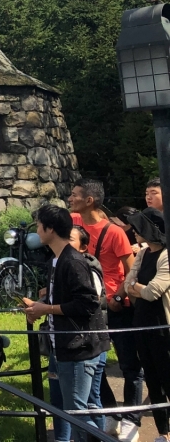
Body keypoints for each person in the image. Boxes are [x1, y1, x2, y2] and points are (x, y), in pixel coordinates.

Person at [24, 204, 104, 442]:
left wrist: (46, 308)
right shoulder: (56, 261)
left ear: (50, 228)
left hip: (77, 348)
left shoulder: (73, 261)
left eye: (39, 225)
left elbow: (88, 304)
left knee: (77, 411)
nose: (36, 230)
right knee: (72, 410)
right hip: (61, 345)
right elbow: (60, 303)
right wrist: (38, 309)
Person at [68, 178, 138, 438]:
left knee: (129, 364)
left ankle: (132, 416)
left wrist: (118, 298)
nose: (70, 198)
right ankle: (110, 411)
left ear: (89, 200)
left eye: (75, 195)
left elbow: (131, 270)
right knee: (95, 363)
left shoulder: (115, 232)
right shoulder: (73, 222)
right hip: (90, 305)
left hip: (114, 305)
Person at [125, 208, 170, 442]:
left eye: (139, 227)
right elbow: (127, 284)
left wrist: (137, 288)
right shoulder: (142, 255)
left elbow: (153, 292)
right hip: (141, 324)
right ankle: (164, 432)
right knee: (152, 381)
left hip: (162, 328)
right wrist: (138, 288)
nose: (134, 231)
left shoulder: (166, 255)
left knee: (167, 377)